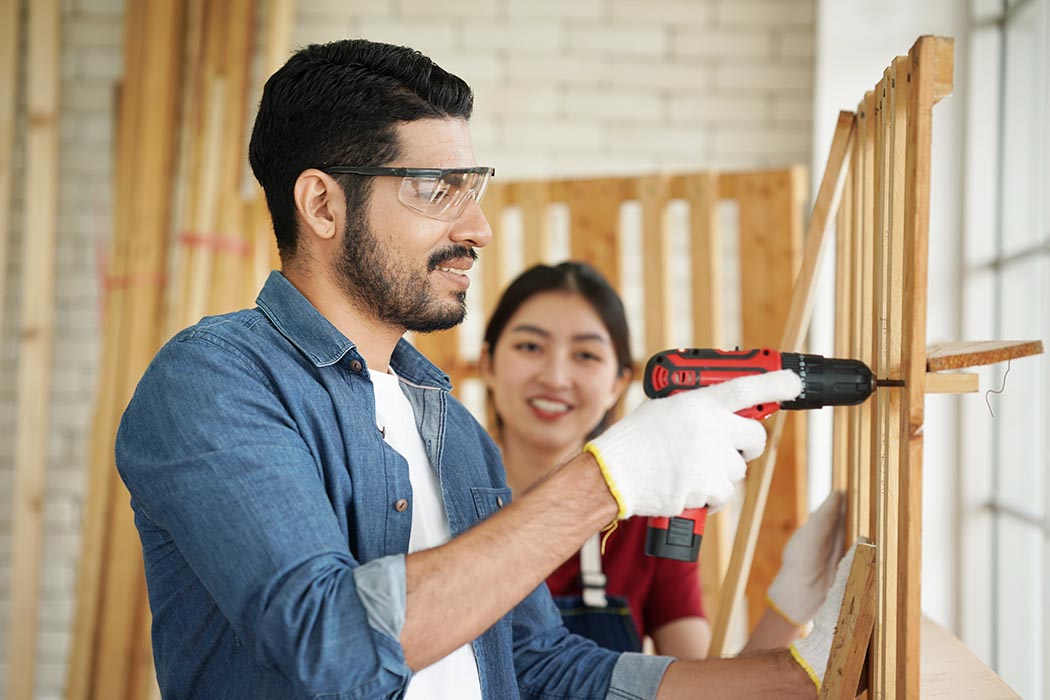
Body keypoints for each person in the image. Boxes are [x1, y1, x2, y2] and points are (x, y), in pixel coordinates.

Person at [115, 38, 850, 699]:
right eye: (437, 189)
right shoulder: (214, 382)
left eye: (474, 190)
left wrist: (800, 678)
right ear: (322, 205)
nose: (478, 229)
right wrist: (609, 479)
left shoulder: (456, 433)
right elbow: (325, 639)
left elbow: (536, 666)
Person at [480, 261, 848, 660]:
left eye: (585, 354)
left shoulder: (649, 515)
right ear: (487, 363)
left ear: (618, 383)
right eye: (530, 347)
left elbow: (704, 684)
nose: (555, 377)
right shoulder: (441, 497)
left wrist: (790, 605)